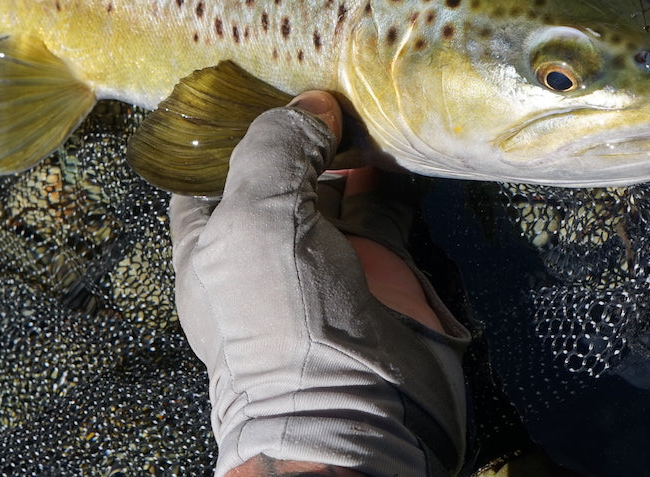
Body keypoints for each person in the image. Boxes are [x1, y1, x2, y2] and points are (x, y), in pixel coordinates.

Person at [170, 91, 472, 477]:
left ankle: (368, 200)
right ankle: (367, 194)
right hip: (408, 406)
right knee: (372, 221)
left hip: (425, 441)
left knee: (372, 215)